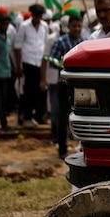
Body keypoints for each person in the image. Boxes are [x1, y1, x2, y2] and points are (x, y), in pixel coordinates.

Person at [42, 11, 84, 158]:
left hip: (80, 85)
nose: (77, 29)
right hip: (65, 84)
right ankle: (62, 149)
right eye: (74, 26)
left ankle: (81, 147)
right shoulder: (61, 41)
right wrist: (64, 64)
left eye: (79, 26)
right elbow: (52, 60)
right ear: (69, 27)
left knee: (81, 115)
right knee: (62, 116)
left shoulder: (84, 42)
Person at [13, 4, 49, 128]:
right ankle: (27, 116)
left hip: (40, 62)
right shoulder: (24, 26)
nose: (38, 18)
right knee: (29, 91)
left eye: (40, 16)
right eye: (36, 15)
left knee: (41, 91)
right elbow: (17, 46)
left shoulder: (45, 26)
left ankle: (39, 116)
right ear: (32, 15)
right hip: (28, 62)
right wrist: (18, 66)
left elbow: (45, 44)